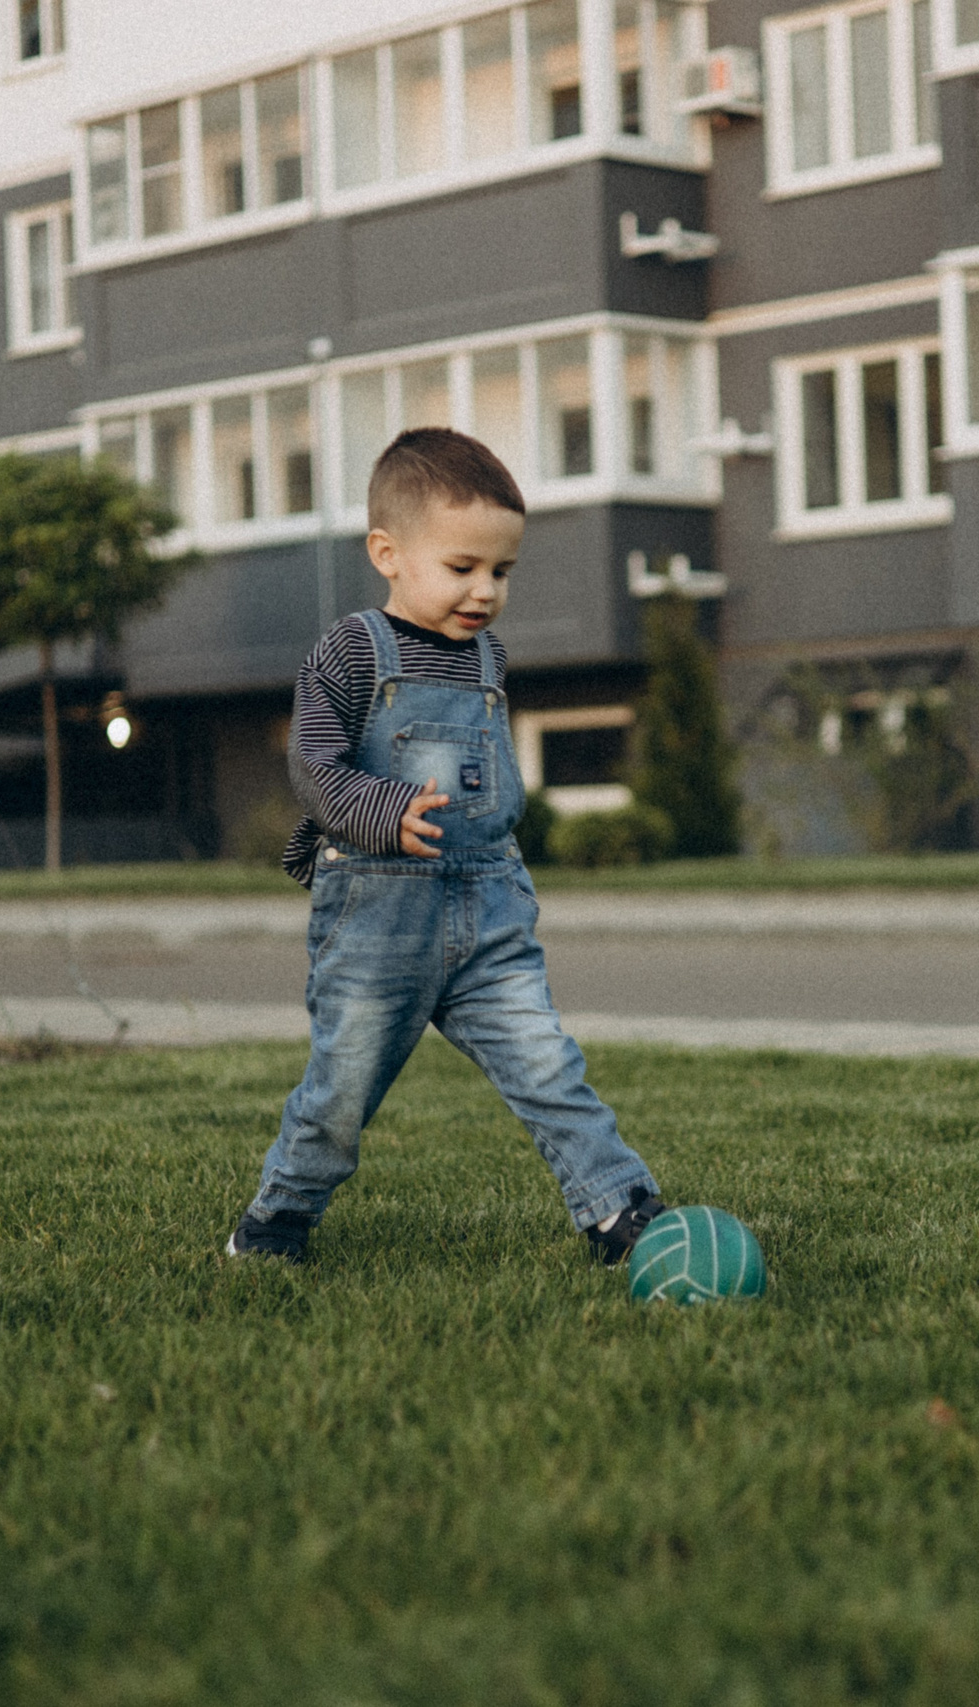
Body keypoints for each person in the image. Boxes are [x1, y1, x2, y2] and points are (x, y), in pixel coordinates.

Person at [225, 428, 665, 1266]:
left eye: (501, 572)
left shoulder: (490, 658)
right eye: (461, 568)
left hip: (488, 914)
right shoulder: (353, 648)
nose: (484, 591)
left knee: (549, 1066)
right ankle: (277, 1219)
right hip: (375, 922)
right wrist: (378, 808)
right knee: (340, 1095)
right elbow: (312, 762)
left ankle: (618, 1207)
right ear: (388, 553)